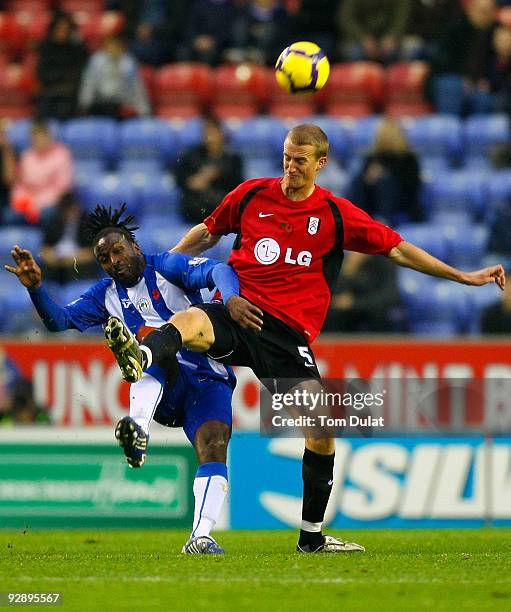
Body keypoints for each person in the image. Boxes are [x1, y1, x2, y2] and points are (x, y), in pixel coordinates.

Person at [105, 124, 505, 554]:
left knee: (321, 433)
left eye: (300, 160)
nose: (290, 167)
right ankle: (140, 356)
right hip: (240, 310)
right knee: (191, 320)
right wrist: (163, 266)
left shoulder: (335, 214)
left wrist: (462, 276)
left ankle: (311, 538)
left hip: (287, 336)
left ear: (321, 163)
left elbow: (397, 249)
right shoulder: (252, 194)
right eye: (286, 157)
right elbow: (209, 231)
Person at [4, 204, 246, 555]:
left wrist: (232, 299)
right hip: (163, 385)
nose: (113, 261)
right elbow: (59, 322)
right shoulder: (104, 295)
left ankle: (201, 536)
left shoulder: (168, 267)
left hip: (209, 378)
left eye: (118, 251)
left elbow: (219, 271)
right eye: (104, 258)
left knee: (214, 444)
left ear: (134, 246)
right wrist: (36, 288)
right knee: (148, 350)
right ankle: (138, 430)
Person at [348, 117, 423, 225]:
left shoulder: (408, 158)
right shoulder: (372, 157)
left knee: (385, 182)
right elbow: (363, 185)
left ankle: (383, 220)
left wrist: (386, 175)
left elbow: (412, 186)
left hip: (401, 201)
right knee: (358, 180)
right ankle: (353, 217)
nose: (386, 140)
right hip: (372, 200)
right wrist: (368, 178)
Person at [175, 116, 243, 225]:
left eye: (213, 133)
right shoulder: (191, 156)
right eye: (207, 133)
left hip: (222, 207)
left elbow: (237, 184)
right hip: (196, 208)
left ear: (221, 134)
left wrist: (215, 175)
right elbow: (180, 179)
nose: (210, 137)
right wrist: (194, 181)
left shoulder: (232, 158)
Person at [8, 120, 74, 225]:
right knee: (10, 215)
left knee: (47, 215)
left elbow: (62, 187)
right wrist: (22, 201)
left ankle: (47, 241)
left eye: (41, 136)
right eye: (35, 138)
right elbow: (19, 185)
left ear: (49, 136)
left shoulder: (61, 154)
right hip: (28, 202)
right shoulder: (27, 156)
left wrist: (37, 203)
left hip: (50, 202)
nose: (39, 140)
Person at [78, 34, 150, 119]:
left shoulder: (129, 63)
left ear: (122, 48)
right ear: (105, 47)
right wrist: (84, 105)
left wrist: (144, 110)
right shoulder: (96, 62)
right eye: (111, 46)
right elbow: (88, 84)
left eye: (117, 46)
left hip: (122, 105)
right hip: (100, 104)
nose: (114, 49)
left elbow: (137, 87)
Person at [36, 11, 88, 120]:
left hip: (69, 95)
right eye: (59, 29)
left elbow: (79, 74)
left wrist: (64, 85)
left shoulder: (78, 50)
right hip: (49, 93)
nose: (62, 32)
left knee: (65, 111)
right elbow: (41, 72)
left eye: (65, 29)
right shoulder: (46, 49)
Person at [39, 193, 98, 285]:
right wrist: (51, 258)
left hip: (77, 262)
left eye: (71, 210)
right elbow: (45, 249)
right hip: (57, 261)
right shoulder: (53, 221)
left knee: (76, 270)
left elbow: (91, 253)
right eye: (65, 211)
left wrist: (73, 260)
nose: (69, 214)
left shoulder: (88, 223)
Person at [338, 0, 412, 64]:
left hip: (391, 39)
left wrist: (392, 36)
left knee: (410, 50)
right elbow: (346, 19)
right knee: (353, 52)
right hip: (359, 40)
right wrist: (363, 38)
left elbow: (401, 18)